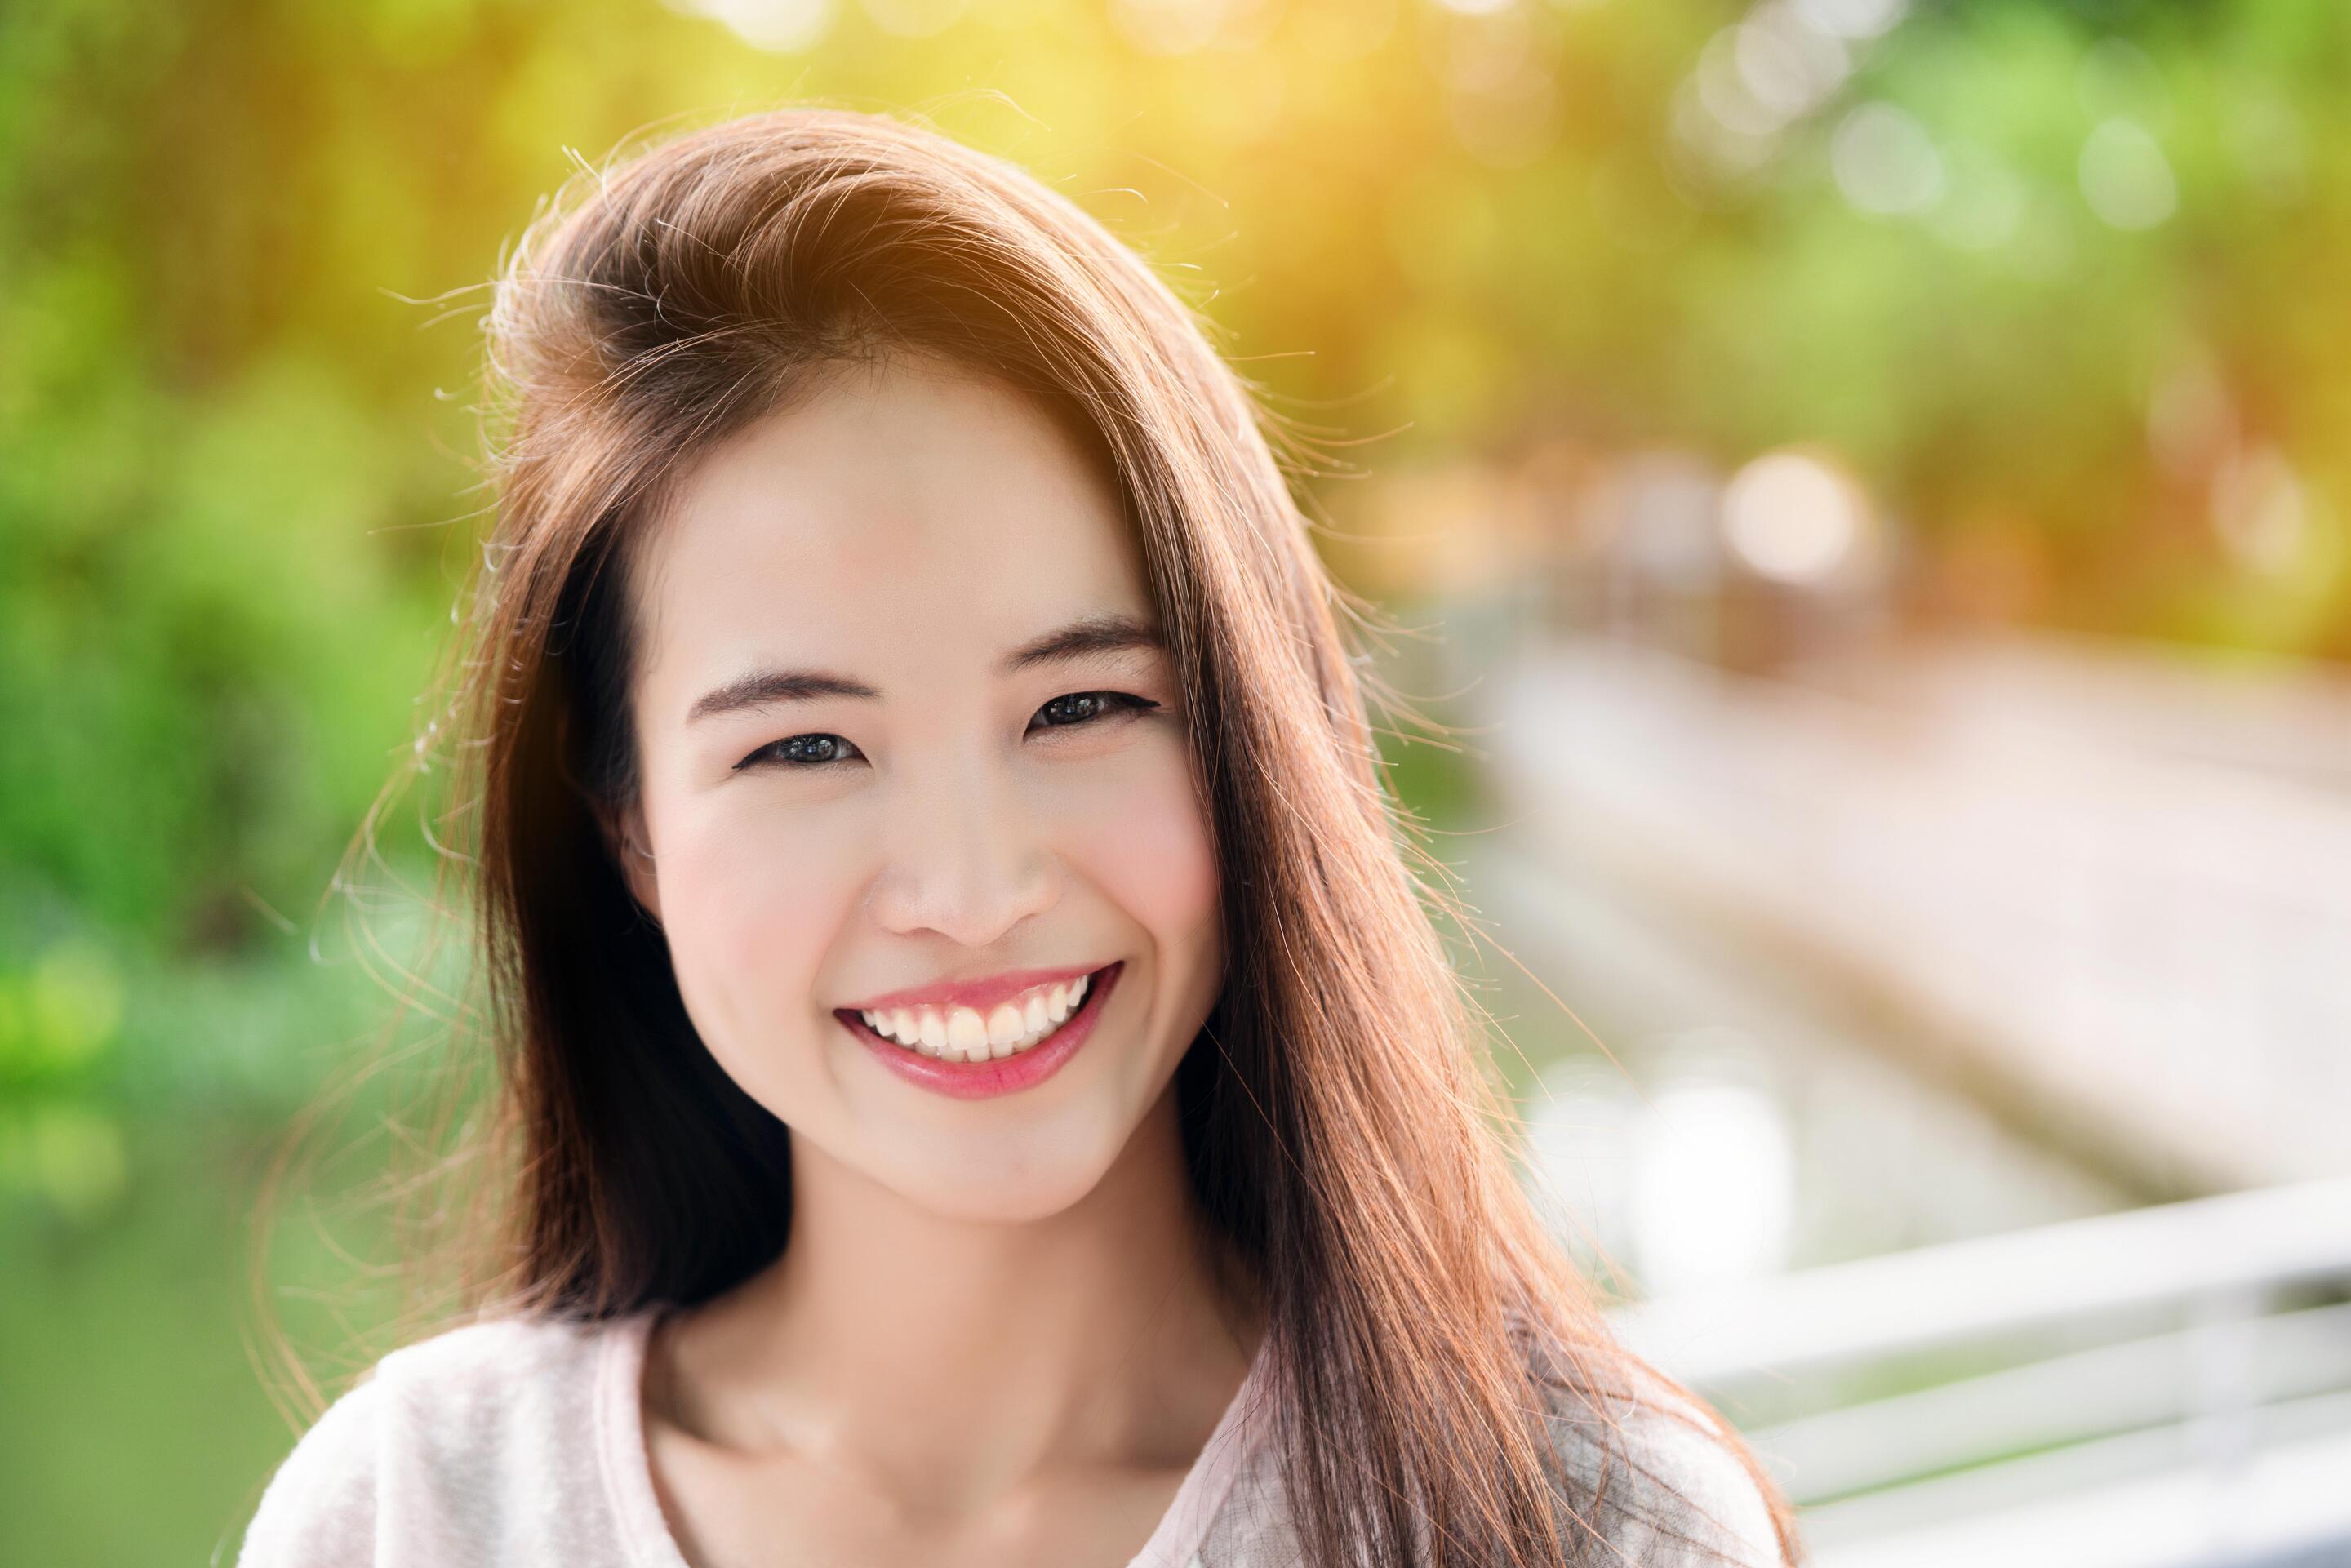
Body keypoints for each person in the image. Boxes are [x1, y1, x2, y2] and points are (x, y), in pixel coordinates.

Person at [237, 105, 1799, 1568]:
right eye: (802, 745)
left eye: (1083, 708)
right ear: (630, 830)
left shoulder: (1587, 1525)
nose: (975, 894)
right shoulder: (419, 1514)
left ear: (1258, 731)